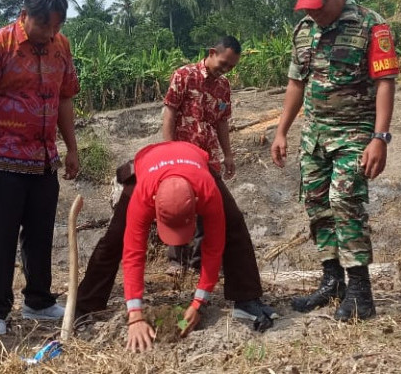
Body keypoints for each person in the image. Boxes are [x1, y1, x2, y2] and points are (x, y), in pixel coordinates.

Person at [270, 0, 399, 321]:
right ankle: (333, 280)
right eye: (307, 6)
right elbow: (297, 82)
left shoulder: (370, 25)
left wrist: (380, 138)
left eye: (319, 4)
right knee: (316, 205)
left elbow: (386, 82)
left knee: (345, 202)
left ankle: (360, 292)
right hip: (314, 136)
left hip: (355, 133)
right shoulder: (304, 29)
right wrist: (282, 130)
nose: (313, 12)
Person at [76, 141, 274, 353]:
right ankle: (85, 308)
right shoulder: (143, 196)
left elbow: (213, 247)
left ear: (196, 200)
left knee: (233, 221)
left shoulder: (207, 191)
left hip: (195, 165)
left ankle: (246, 299)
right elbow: (133, 253)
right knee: (115, 237)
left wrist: (199, 302)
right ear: (153, 202)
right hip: (149, 166)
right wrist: (135, 315)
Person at [0, 0, 80, 338]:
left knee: (41, 235)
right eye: (44, 26)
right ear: (25, 15)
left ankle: (39, 301)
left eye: (56, 27)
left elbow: (64, 99)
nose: (50, 34)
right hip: (1, 162)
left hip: (44, 161)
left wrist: (72, 148)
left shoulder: (61, 46)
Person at [160, 35, 275, 322]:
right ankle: (195, 276)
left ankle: (227, 290)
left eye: (232, 67)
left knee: (224, 219)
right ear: (212, 53)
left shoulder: (223, 86)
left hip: (207, 163)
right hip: (182, 162)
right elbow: (169, 113)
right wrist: (168, 153)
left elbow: (222, 122)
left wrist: (228, 155)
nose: (227, 70)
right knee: (196, 216)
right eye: (224, 63)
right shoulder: (184, 75)